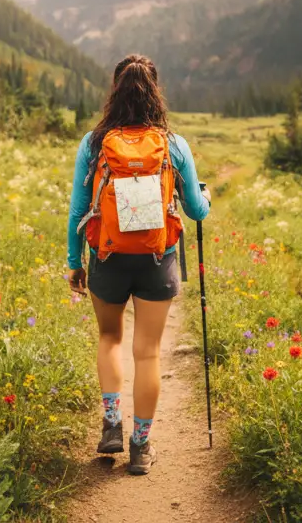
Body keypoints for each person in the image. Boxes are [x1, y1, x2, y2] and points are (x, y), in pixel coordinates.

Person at [66, 54, 210, 476]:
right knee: (147, 354)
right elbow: (196, 211)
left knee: (110, 337)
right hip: (156, 259)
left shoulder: (93, 144)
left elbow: (78, 210)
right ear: (155, 93)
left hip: (108, 258)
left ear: (115, 91)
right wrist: (205, 198)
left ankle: (112, 422)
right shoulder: (173, 144)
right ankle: (141, 448)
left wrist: (76, 262)